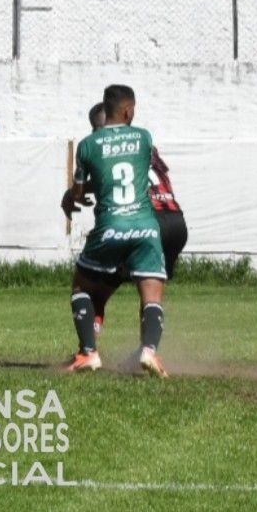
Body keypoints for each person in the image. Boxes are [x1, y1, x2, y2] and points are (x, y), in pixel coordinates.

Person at [63, 85, 169, 378]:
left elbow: (81, 192)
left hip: (111, 226)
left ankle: (88, 353)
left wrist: (72, 195)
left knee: (82, 288)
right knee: (151, 294)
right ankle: (150, 350)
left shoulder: (88, 145)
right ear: (128, 110)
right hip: (146, 227)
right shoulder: (144, 138)